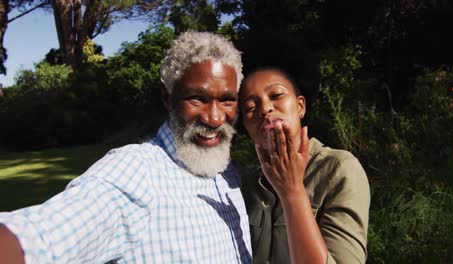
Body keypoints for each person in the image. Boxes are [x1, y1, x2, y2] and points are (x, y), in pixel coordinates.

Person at [0, 31, 252, 263]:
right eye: (197, 98)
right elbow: (39, 238)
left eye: (227, 100)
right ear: (167, 99)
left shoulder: (223, 168)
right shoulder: (137, 173)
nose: (216, 118)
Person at [239, 67, 370, 264]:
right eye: (250, 108)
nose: (265, 109)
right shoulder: (243, 183)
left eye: (276, 95)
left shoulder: (339, 169)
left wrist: (291, 190)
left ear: (300, 106)